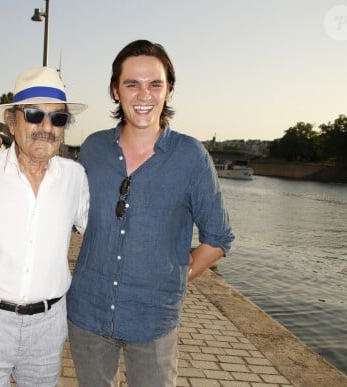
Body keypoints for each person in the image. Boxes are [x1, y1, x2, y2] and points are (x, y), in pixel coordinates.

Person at [67, 39, 235, 387]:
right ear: (115, 90)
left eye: (155, 83)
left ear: (168, 90)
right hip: (87, 314)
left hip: (154, 321)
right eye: (132, 83)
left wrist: (174, 278)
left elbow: (218, 237)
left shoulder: (191, 156)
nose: (144, 94)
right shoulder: (93, 149)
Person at [0, 67, 89, 387]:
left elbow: (104, 234)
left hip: (48, 325)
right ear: (12, 121)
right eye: (34, 115)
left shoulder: (75, 179)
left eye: (57, 119)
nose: (46, 127)